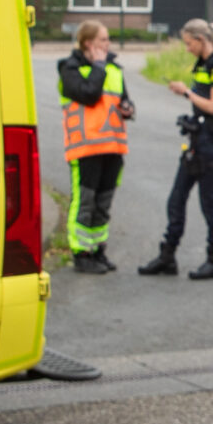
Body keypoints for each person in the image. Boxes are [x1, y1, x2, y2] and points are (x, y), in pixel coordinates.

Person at [137, 18, 213, 280]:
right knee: (176, 199)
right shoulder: (202, 65)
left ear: (202, 40)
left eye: (189, 43)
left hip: (208, 144)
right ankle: (167, 256)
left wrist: (186, 93)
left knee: (209, 202)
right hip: (196, 139)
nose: (187, 48)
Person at [56, 20, 135, 273]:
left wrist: (128, 109)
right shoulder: (70, 69)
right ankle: (81, 253)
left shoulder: (114, 69)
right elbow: (88, 94)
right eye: (103, 39)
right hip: (85, 149)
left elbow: (123, 100)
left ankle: (98, 249)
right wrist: (99, 66)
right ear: (88, 43)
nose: (107, 44)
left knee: (104, 203)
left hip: (113, 147)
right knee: (84, 203)